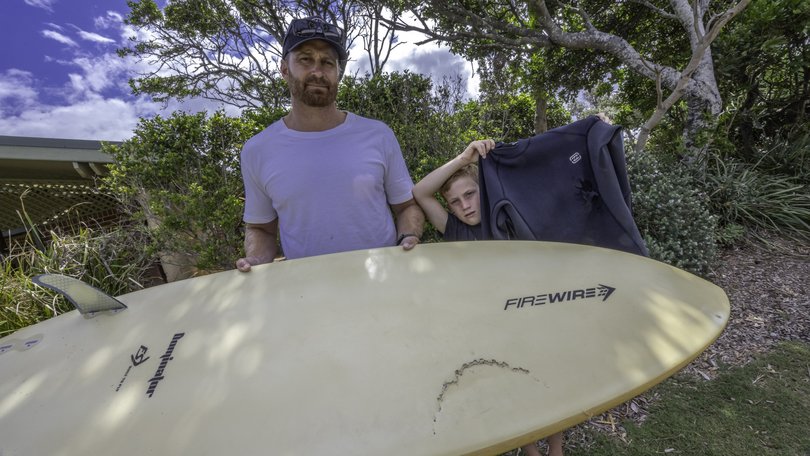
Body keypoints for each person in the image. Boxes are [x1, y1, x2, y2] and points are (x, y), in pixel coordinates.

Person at [413, 139, 565, 456]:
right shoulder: (453, 229)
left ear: (485, 190)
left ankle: (556, 445)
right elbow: (421, 193)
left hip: (529, 315)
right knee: (514, 383)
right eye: (455, 201)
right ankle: (530, 448)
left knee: (549, 378)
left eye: (470, 194)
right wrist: (462, 158)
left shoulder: (509, 217)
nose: (465, 205)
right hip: (488, 325)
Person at [236, 16, 424, 271]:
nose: (317, 71)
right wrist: (256, 261)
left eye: (328, 62)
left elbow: (406, 207)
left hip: (383, 284)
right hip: (308, 292)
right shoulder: (257, 150)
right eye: (305, 59)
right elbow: (261, 228)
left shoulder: (378, 135)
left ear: (338, 73)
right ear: (284, 69)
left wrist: (408, 237)